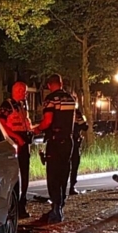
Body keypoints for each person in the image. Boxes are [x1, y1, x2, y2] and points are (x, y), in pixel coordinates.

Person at [34, 74, 77, 223]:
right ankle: (61, 204)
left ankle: (55, 208)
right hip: (68, 141)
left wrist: (36, 129)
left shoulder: (51, 99)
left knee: (53, 175)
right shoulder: (71, 99)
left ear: (49, 85)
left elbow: (47, 121)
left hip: (55, 141)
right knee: (64, 173)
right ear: (61, 83)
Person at [0, 81, 33, 217]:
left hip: (24, 144)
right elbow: (1, 124)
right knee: (14, 176)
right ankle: (13, 206)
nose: (25, 94)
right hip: (14, 144)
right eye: (23, 91)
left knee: (24, 175)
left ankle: (22, 204)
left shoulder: (23, 105)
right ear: (16, 91)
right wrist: (16, 138)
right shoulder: (7, 105)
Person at [69, 103, 88, 196]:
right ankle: (71, 187)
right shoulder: (77, 114)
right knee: (74, 165)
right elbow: (85, 127)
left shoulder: (61, 113)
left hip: (63, 143)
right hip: (74, 143)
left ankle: (63, 188)